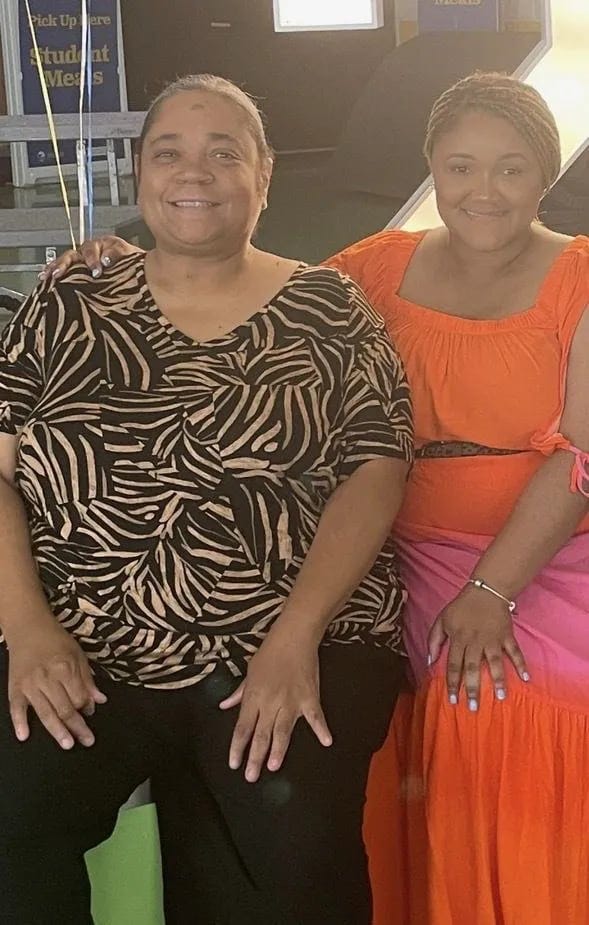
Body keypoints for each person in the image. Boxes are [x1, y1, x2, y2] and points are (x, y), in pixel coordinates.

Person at [62, 72, 589, 925]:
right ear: (430, 165)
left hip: (539, 549)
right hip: (397, 545)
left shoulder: (579, 276)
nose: (481, 192)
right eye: (459, 167)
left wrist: (491, 590)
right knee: (470, 697)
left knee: (550, 690)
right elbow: (253, 287)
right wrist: (128, 254)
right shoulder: (376, 268)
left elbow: (581, 455)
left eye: (509, 169)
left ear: (543, 176)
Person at [0, 74, 414, 925]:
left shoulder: (330, 308)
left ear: (264, 177)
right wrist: (28, 630)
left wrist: (293, 638)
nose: (196, 172)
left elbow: (376, 470)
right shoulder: (66, 301)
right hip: (89, 647)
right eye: (171, 152)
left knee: (293, 870)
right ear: (141, 173)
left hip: (293, 643)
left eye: (226, 152)